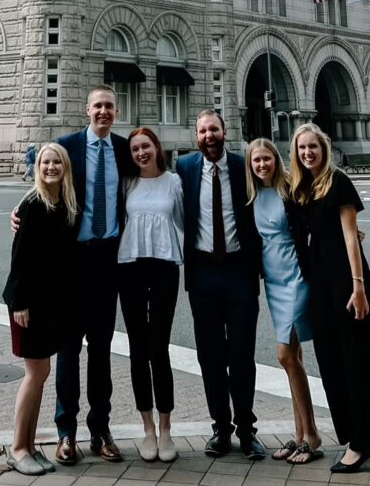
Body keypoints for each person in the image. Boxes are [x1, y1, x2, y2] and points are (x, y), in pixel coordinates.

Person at [12, 85, 134, 464]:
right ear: (86, 110)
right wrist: (17, 211)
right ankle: (66, 433)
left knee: (101, 350)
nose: (103, 112)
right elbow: (43, 185)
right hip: (71, 265)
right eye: (97, 106)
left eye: (109, 107)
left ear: (116, 111)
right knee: (68, 351)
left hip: (107, 262)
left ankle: (101, 430)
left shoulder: (123, 149)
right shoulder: (67, 146)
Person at [175, 109, 265, 461]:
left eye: (214, 129)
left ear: (224, 132)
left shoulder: (245, 166)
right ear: (195, 137)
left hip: (241, 272)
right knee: (210, 357)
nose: (208, 135)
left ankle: (246, 430)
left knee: (242, 355)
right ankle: (220, 428)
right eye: (202, 131)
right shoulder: (184, 168)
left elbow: (281, 192)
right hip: (203, 274)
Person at [290, 123, 370, 475]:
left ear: (324, 148)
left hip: (346, 281)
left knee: (355, 363)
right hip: (320, 284)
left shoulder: (337, 181)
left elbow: (350, 236)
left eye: (313, 147)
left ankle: (363, 444)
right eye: (302, 148)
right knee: (330, 362)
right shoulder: (304, 186)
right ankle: (351, 436)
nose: (308, 153)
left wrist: (358, 286)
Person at [3, 142, 78, 476]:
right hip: (28, 304)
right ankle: (18, 448)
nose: (51, 167)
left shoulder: (65, 204)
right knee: (35, 374)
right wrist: (19, 302)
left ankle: (30, 446)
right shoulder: (32, 203)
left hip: (51, 303)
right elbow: (19, 258)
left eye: (57, 162)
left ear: (65, 168)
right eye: (46, 162)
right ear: (37, 167)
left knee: (42, 372)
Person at [245, 139, 322, 465]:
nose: (262, 165)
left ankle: (313, 436)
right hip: (273, 284)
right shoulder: (251, 196)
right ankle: (300, 433)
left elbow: (317, 221)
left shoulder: (289, 191)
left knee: (285, 356)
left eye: (267, 159)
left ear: (276, 160)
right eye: (256, 161)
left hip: (296, 279)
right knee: (294, 359)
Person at [117, 127, 184, 463]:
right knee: (137, 349)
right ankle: (146, 429)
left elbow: (189, 223)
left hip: (164, 268)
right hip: (129, 267)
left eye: (146, 147)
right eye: (135, 149)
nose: (141, 153)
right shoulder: (127, 183)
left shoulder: (173, 182)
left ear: (157, 148)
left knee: (159, 348)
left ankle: (166, 428)